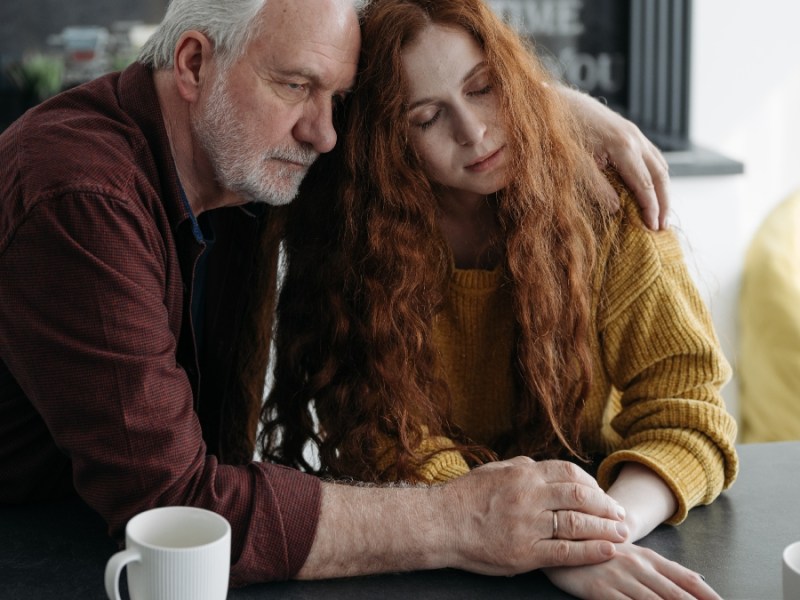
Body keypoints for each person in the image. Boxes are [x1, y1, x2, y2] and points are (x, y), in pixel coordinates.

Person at [1, 0, 669, 587]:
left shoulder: (245, 151)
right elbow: (179, 512)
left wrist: (550, 107)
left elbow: (419, 97)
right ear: (194, 64)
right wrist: (467, 519)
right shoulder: (80, 198)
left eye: (337, 99)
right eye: (297, 85)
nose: (323, 133)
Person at [260, 0, 738, 597]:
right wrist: (531, 540)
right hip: (439, 556)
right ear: (386, 140)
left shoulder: (603, 199)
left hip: (610, 524)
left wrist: (590, 539)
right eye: (427, 117)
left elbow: (687, 411)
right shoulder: (360, 244)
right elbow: (383, 442)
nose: (473, 130)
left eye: (483, 88)